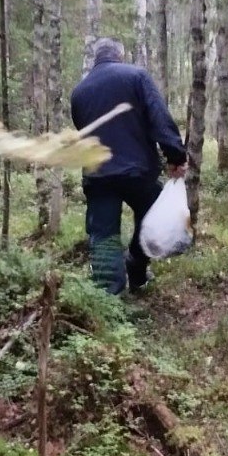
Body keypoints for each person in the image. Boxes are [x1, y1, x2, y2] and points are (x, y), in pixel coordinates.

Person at [70, 38, 186, 294]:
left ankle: (109, 298)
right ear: (119, 55)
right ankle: (136, 266)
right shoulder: (136, 76)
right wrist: (175, 155)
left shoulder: (79, 92)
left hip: (98, 175)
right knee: (152, 220)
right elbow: (158, 116)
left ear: (95, 59)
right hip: (138, 171)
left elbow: (82, 130)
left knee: (103, 235)